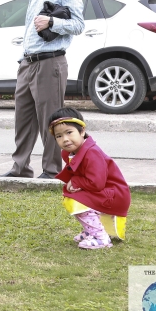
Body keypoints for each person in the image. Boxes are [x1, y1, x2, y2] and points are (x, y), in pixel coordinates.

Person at [0, 0, 84, 180]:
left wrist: (52, 21)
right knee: (22, 119)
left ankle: (52, 170)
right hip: (27, 63)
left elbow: (78, 25)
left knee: (51, 120)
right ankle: (20, 168)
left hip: (50, 63)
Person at [49, 107, 130, 249]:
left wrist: (76, 181)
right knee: (73, 197)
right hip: (107, 192)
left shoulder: (92, 153)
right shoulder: (72, 151)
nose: (65, 139)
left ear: (82, 131)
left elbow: (97, 183)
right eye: (59, 136)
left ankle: (101, 237)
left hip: (115, 195)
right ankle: (91, 230)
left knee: (75, 200)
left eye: (69, 132)